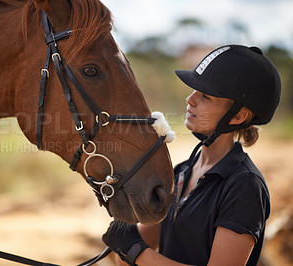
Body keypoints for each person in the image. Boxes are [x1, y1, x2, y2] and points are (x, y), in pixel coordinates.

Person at [102, 44, 281, 266]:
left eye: (205, 96)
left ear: (238, 116)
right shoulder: (181, 172)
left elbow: (137, 254)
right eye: (194, 90)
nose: (190, 99)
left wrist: (135, 251)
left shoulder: (244, 186)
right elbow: (126, 257)